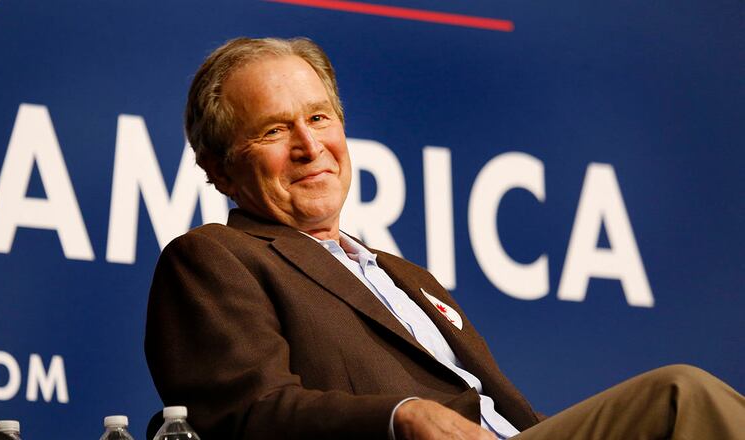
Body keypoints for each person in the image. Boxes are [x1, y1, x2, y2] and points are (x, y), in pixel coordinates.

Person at [144, 37, 744, 440]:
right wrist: (399, 416)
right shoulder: (215, 259)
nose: (310, 146)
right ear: (219, 168)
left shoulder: (408, 278)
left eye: (320, 117)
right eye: (276, 129)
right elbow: (245, 413)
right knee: (678, 400)